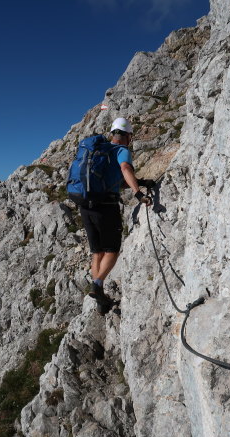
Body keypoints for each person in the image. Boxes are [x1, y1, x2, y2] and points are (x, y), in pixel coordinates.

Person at [81, 117, 152, 313]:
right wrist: (138, 193)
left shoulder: (100, 150)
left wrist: (142, 181)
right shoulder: (121, 151)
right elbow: (125, 168)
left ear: (112, 133)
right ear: (127, 136)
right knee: (112, 250)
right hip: (105, 206)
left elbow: (114, 180)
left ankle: (100, 299)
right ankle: (97, 284)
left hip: (86, 205)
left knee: (97, 252)